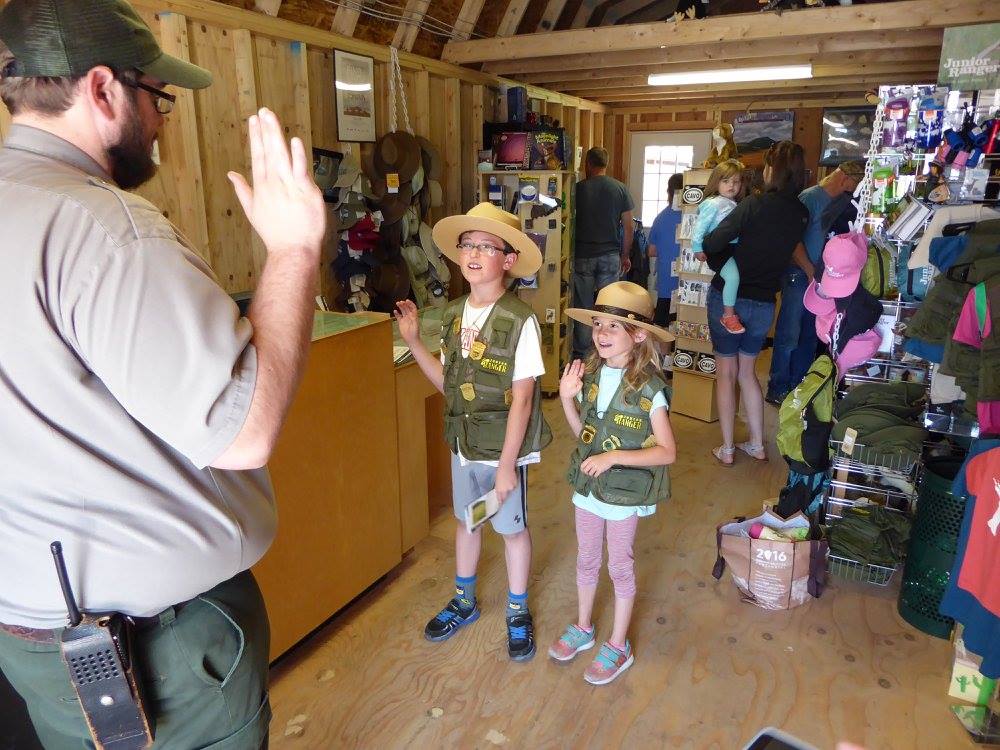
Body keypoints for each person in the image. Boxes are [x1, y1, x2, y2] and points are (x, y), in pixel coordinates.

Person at [0, 0, 326, 747]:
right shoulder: (105, 229)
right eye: (159, 97)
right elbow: (242, 433)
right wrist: (294, 252)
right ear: (105, 90)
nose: (164, 121)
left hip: (32, 637)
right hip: (155, 654)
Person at [395, 203, 551, 662]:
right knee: (468, 520)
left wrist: (507, 468)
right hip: (464, 446)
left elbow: (523, 398)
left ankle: (517, 611)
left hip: (502, 452)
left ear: (509, 260)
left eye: (487, 246)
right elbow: (448, 383)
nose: (474, 253)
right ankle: (464, 601)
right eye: (468, 245)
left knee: (510, 528)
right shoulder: (451, 315)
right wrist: (413, 341)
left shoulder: (521, 321)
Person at [550, 281, 677, 685]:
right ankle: (584, 627)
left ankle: (618, 646)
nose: (601, 334)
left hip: (623, 494)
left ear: (638, 335)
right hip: (587, 489)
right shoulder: (589, 374)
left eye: (612, 327)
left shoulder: (651, 390)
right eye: (598, 324)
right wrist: (567, 398)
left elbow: (667, 452)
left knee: (619, 565)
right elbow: (583, 437)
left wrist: (614, 457)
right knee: (586, 559)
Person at [702, 141, 809, 466]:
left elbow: (712, 241)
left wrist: (720, 258)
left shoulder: (753, 205)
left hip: (728, 298)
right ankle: (757, 445)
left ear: (772, 170)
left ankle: (728, 448)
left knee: (725, 373)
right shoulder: (801, 212)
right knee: (748, 374)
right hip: (764, 303)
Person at [765, 159, 865, 404]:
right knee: (790, 333)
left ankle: (800, 386)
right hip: (800, 274)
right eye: (857, 182)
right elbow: (792, 241)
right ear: (845, 179)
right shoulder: (809, 199)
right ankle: (777, 387)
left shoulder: (840, 201)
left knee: (811, 334)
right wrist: (810, 270)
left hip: (821, 278)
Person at [571, 146, 635, 359]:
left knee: (583, 307)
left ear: (587, 164)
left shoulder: (578, 189)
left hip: (582, 256)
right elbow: (628, 227)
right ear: (605, 164)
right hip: (609, 255)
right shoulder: (620, 189)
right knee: (609, 308)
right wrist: (625, 256)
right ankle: (607, 353)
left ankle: (582, 356)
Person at [692, 159, 747, 333]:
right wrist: (697, 248)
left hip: (730, 248)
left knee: (734, 278)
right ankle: (728, 315)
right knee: (733, 278)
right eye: (726, 181)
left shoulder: (732, 203)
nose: (731, 185)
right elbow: (699, 226)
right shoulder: (713, 203)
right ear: (716, 182)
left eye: (736, 181)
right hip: (719, 249)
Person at [647, 172, 684, 326]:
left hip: (666, 279)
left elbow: (652, 251)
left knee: (663, 324)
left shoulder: (661, 218)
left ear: (669, 192)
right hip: (688, 279)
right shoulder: (694, 215)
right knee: (684, 320)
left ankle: (664, 351)